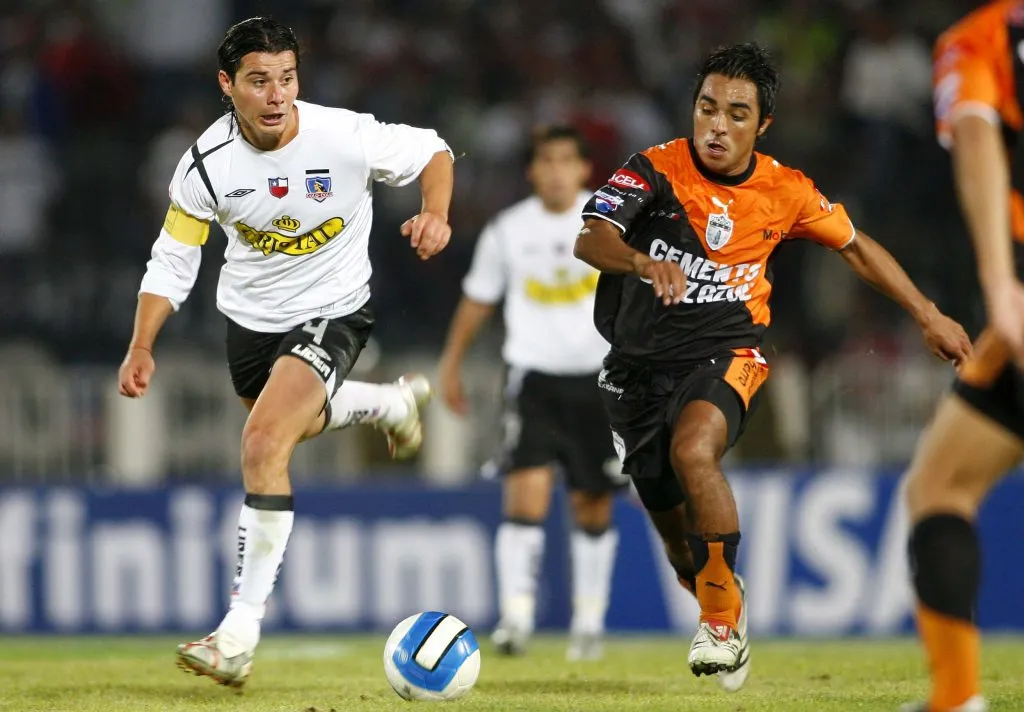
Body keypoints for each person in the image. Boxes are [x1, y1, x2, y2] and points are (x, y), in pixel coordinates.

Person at [573, 42, 972, 691]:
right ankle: (718, 597)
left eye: (736, 114)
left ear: (763, 126)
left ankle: (722, 625)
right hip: (635, 369)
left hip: (727, 351)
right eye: (707, 108)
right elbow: (591, 237)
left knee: (694, 450)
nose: (717, 126)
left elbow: (856, 248)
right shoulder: (653, 170)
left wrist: (927, 313)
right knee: (679, 542)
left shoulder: (785, 190)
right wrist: (644, 262)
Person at [116, 17, 454, 689]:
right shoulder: (206, 166)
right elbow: (172, 260)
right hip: (250, 324)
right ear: (227, 84)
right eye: (259, 81)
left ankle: (238, 634)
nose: (276, 96)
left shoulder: (344, 134)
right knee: (287, 423)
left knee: (264, 440)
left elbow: (434, 152)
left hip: (335, 311)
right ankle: (389, 403)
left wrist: (436, 212)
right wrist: (141, 344)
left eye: (288, 79)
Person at [438, 126, 627, 662]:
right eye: (546, 161)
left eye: (566, 160)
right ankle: (516, 618)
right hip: (534, 380)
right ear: (532, 171)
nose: (556, 171)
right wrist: (450, 364)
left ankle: (589, 623)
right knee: (525, 496)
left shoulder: (611, 222)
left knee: (592, 503)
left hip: (600, 378)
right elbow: (477, 301)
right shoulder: (508, 230)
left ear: (584, 170)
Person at [901, 3, 1024, 711]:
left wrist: (999, 280)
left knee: (941, 488)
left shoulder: (984, 40)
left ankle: (956, 697)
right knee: (940, 482)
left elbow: (975, 134)